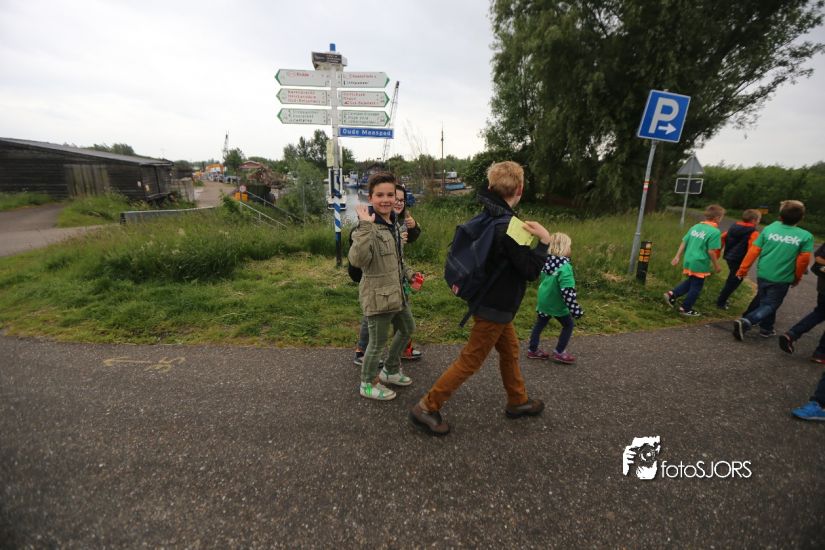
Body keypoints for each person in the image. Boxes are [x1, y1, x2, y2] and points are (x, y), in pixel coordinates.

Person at [409, 161, 551, 435]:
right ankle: (426, 407)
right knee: (470, 360)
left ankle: (517, 400)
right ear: (520, 189)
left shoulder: (488, 215)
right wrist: (544, 242)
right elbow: (531, 271)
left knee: (510, 350)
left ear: (490, 187)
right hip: (495, 306)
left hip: (487, 300)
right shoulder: (513, 227)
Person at [348, 172, 417, 401]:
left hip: (397, 293)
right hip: (378, 296)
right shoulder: (366, 227)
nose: (386, 199)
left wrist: (409, 275)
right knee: (376, 343)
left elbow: (397, 260)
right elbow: (357, 260)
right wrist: (365, 227)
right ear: (370, 197)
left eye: (390, 195)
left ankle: (390, 370)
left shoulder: (393, 224)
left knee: (407, 328)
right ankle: (367, 383)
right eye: (380, 195)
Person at [353, 184, 423, 365]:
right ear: (372, 198)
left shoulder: (397, 220)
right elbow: (357, 255)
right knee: (375, 315)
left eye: (401, 199)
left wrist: (414, 227)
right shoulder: (371, 221)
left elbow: (409, 241)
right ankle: (363, 352)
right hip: (376, 277)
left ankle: (401, 352)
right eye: (394, 198)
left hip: (396, 276)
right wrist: (365, 227)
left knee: (403, 317)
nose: (397, 202)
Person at [733, 200, 813, 341]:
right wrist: (797, 277)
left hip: (763, 273)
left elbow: (754, 250)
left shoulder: (769, 229)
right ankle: (748, 321)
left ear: (780, 215)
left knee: (766, 301)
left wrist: (743, 269)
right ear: (801, 218)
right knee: (771, 304)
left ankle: (766, 328)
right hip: (782, 278)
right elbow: (803, 261)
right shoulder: (805, 236)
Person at [526, 232, 583, 364]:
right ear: (564, 248)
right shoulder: (565, 268)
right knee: (568, 324)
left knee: (540, 324)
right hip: (557, 303)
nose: (570, 249)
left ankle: (532, 350)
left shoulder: (546, 261)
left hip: (544, 299)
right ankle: (559, 352)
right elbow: (567, 291)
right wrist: (575, 310)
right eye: (569, 246)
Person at [664, 204, 725, 316]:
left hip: (689, 259)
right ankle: (685, 308)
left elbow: (684, 241)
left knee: (692, 281)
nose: (721, 220)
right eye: (721, 217)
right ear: (717, 218)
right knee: (696, 287)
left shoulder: (696, 226)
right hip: (700, 262)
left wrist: (677, 256)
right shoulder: (715, 232)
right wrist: (717, 266)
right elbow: (711, 251)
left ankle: (672, 294)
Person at [779, 241, 825, 363]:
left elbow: (818, 257)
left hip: (823, 286)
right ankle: (820, 353)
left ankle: (792, 334)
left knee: (819, 312)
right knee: (820, 312)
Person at [715, 209, 762, 310]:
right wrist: (747, 266)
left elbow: (722, 237)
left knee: (732, 278)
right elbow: (752, 250)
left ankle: (723, 299)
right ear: (754, 220)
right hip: (740, 260)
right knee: (734, 281)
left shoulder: (734, 226)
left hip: (729, 257)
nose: (759, 222)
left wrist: (718, 252)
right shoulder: (753, 232)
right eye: (759, 220)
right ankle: (721, 302)